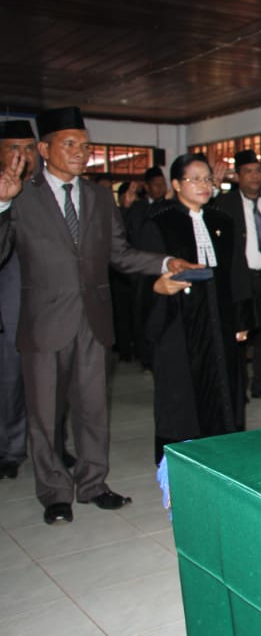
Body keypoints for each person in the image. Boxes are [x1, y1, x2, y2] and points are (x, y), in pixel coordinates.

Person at [0, 106, 195, 524]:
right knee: (44, 416)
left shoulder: (97, 197)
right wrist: (1, 203)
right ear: (44, 149)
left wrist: (165, 263)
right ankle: (54, 492)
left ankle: (92, 484)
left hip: (93, 321)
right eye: (69, 144)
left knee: (92, 410)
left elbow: (120, 254)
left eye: (85, 145)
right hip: (43, 325)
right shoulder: (21, 194)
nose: (79, 152)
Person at [138, 154, 253, 463]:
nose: (204, 185)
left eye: (207, 179)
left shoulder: (222, 222)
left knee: (225, 383)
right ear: (176, 185)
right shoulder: (160, 223)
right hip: (178, 320)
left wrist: (241, 319)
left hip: (220, 318)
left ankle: (224, 450)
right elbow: (144, 278)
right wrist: (158, 291)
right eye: (195, 179)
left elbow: (237, 273)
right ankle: (182, 459)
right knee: (181, 391)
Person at [214, 149, 261, 402]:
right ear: (238, 176)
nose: (254, 176)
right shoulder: (226, 204)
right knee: (240, 335)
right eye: (248, 172)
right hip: (241, 279)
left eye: (257, 171)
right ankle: (238, 387)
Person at [0, 119, 36, 480]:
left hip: (51, 304)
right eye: (13, 148)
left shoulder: (46, 190)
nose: (22, 156)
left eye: (28, 148)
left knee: (52, 384)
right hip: (10, 302)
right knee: (9, 380)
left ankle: (52, 446)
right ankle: (9, 449)